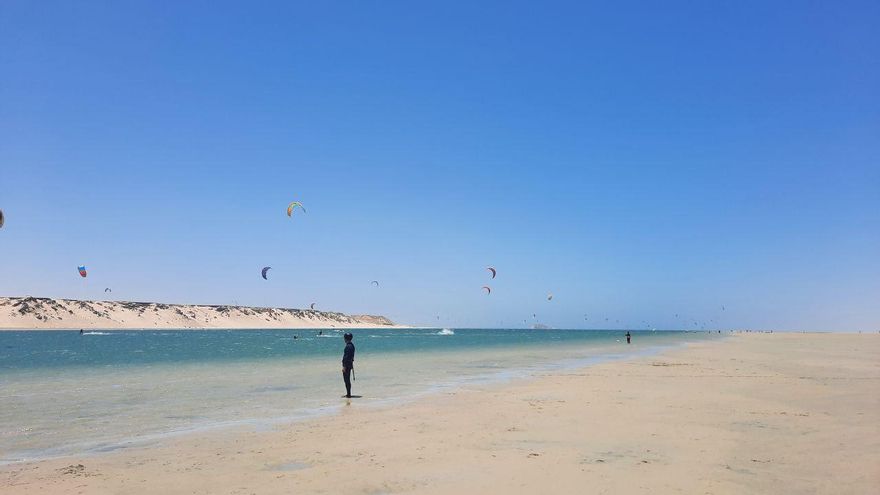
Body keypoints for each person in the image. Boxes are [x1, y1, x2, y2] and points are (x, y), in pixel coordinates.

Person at [342, 332, 355, 398]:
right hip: (349, 364)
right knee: (347, 380)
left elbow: (346, 357)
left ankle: (348, 394)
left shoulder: (348, 346)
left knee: (346, 380)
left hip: (347, 365)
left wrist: (344, 366)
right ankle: (348, 393)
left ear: (346, 338)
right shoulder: (352, 345)